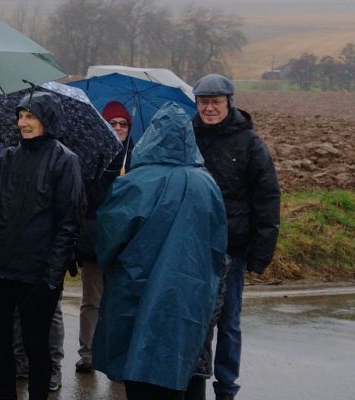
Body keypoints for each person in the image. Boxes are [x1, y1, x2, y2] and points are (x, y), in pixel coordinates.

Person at [91, 103, 228, 400]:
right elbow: (219, 247)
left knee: (139, 373)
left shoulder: (135, 183)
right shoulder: (208, 184)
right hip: (191, 297)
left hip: (135, 295)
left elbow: (107, 241)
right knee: (179, 372)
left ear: (153, 136)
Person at [0, 92, 84, 400]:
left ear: (47, 120)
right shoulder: (8, 156)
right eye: (21, 116)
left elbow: (68, 223)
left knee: (36, 343)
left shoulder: (65, 161)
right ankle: (6, 395)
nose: (23, 123)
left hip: (36, 273)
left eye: (31, 116)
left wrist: (53, 276)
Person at [191, 74, 281, 400]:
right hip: (194, 247)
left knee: (228, 322)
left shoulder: (250, 144)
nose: (209, 108)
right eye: (203, 102)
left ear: (230, 102)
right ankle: (193, 379)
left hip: (232, 247)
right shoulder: (189, 137)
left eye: (215, 102)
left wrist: (261, 252)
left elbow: (267, 199)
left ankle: (226, 387)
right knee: (195, 318)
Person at [75, 100, 137, 374]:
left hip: (126, 242)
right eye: (112, 123)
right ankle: (87, 353)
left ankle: (119, 355)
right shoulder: (92, 154)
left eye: (123, 123)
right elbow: (85, 196)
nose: (118, 128)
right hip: (97, 239)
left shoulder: (138, 157)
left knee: (122, 300)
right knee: (92, 300)